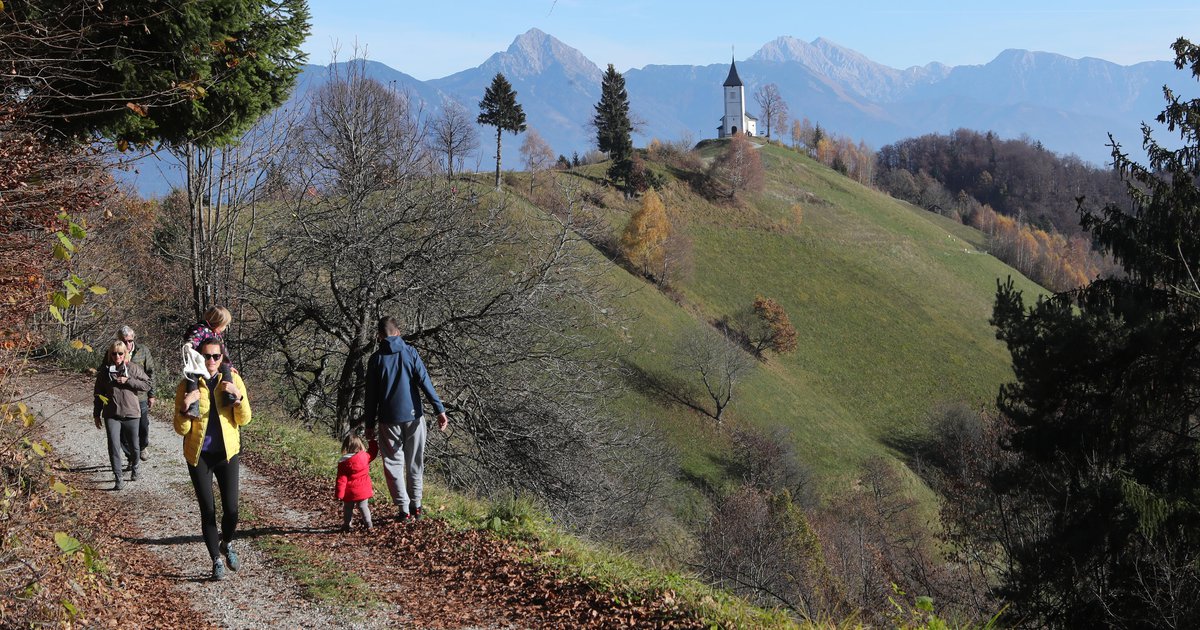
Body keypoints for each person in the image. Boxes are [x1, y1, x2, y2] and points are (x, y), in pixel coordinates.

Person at [174, 339, 251, 581]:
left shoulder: (233, 380)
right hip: (199, 456)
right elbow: (180, 428)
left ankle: (226, 543)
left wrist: (237, 397)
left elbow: (245, 419)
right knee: (208, 510)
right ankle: (216, 560)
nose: (211, 361)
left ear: (222, 358)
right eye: (206, 356)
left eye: (216, 356)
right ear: (199, 357)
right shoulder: (187, 384)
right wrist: (186, 406)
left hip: (227, 454)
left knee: (232, 510)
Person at [362, 316, 449, 523]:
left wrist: (369, 423)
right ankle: (416, 506)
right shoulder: (410, 352)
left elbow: (370, 396)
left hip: (388, 419)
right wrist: (439, 409)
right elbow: (424, 381)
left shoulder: (375, 360)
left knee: (393, 463)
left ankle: (404, 510)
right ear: (398, 332)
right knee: (414, 462)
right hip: (414, 417)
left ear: (379, 336)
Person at [93, 340, 151, 490]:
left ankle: (135, 466)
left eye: (120, 353)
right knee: (113, 446)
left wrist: (128, 381)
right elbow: (98, 394)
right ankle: (118, 478)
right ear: (110, 354)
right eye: (114, 353)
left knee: (134, 445)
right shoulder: (105, 372)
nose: (117, 356)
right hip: (111, 414)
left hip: (132, 413)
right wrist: (96, 414)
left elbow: (147, 384)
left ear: (125, 354)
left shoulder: (133, 368)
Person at [181, 306, 236, 419]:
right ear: (217, 323)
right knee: (192, 381)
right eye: (224, 325)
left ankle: (229, 396)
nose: (225, 328)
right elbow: (194, 338)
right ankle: (193, 407)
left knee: (226, 371)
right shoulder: (201, 330)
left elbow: (223, 352)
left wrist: (229, 366)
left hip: (215, 364)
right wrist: (189, 345)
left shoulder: (217, 336)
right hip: (199, 364)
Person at [114, 326, 156, 461]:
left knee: (143, 426)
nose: (127, 344)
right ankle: (131, 457)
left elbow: (151, 373)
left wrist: (152, 394)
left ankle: (142, 447)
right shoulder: (114, 352)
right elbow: (104, 371)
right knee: (123, 431)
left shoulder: (143, 351)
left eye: (130, 340)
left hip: (140, 397)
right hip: (122, 398)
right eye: (124, 341)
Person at [335, 431, 379, 532]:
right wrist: (372, 441)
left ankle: (347, 525)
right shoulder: (365, 457)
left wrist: (339, 494)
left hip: (349, 491)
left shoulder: (343, 462)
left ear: (345, 446)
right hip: (363, 489)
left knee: (348, 508)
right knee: (363, 507)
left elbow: (341, 479)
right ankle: (369, 525)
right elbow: (373, 452)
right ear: (360, 444)